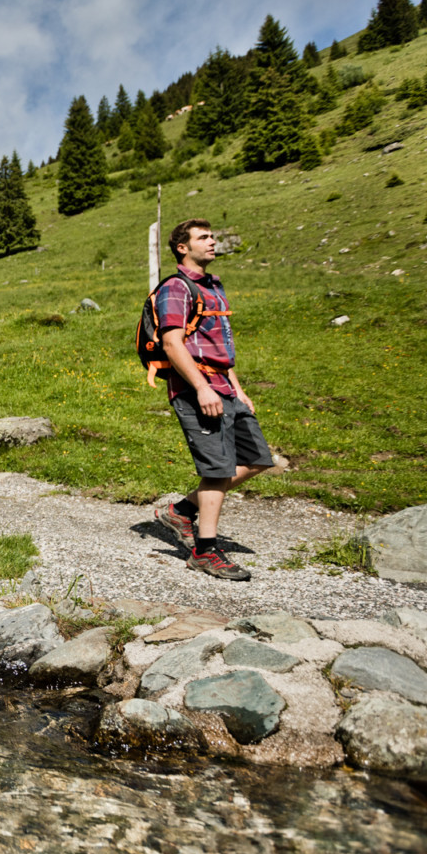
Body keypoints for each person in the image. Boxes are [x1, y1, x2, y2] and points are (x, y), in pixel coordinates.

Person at [151, 218, 274, 581]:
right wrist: (202, 388)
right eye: (203, 238)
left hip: (224, 386)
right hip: (197, 389)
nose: (213, 242)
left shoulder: (213, 287)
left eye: (213, 236)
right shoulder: (176, 287)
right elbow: (173, 343)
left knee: (256, 459)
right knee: (217, 469)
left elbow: (218, 348)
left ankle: (181, 510)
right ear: (182, 248)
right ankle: (205, 552)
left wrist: (237, 388)